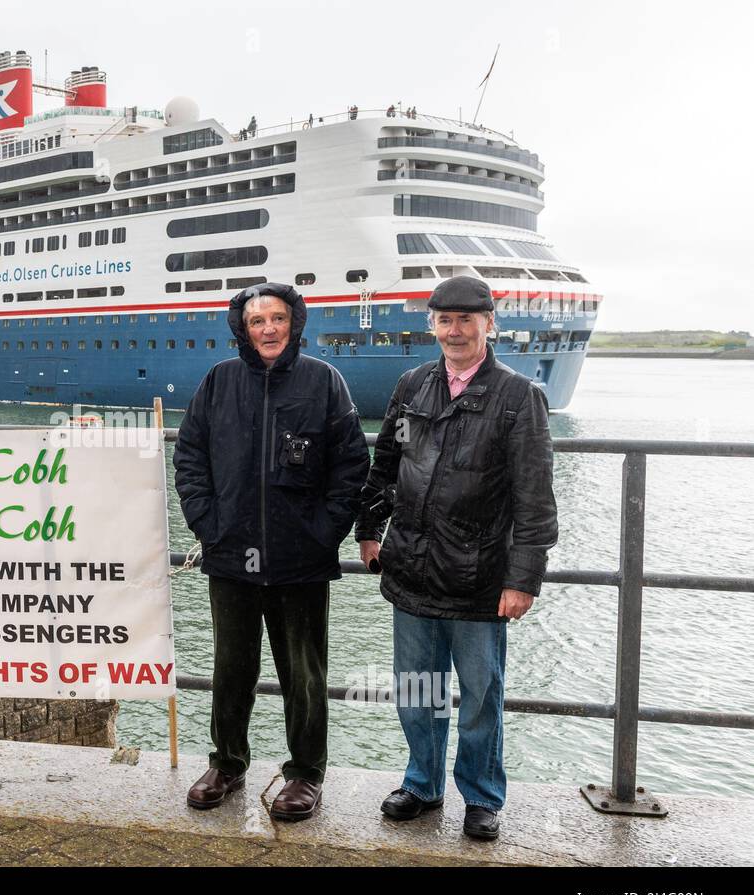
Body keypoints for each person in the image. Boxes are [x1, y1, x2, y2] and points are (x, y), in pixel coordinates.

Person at [354, 276, 557, 841]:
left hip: (481, 576)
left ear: (490, 323)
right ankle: (422, 783)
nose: (456, 330)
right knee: (418, 689)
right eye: (445, 319)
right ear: (431, 325)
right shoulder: (411, 385)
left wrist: (524, 579)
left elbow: (535, 499)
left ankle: (482, 796)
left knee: (480, 698)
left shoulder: (519, 396)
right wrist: (369, 528)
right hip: (412, 565)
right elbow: (386, 465)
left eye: (468, 319)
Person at [173, 283, 369, 821]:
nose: (267, 329)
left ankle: (305, 773)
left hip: (299, 559)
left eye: (277, 319)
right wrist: (207, 522)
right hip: (231, 554)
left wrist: (324, 531)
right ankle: (227, 762)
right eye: (257, 320)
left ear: (294, 323)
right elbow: (189, 455)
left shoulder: (323, 381)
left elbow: (351, 464)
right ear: (242, 326)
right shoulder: (220, 381)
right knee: (230, 667)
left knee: (302, 673)